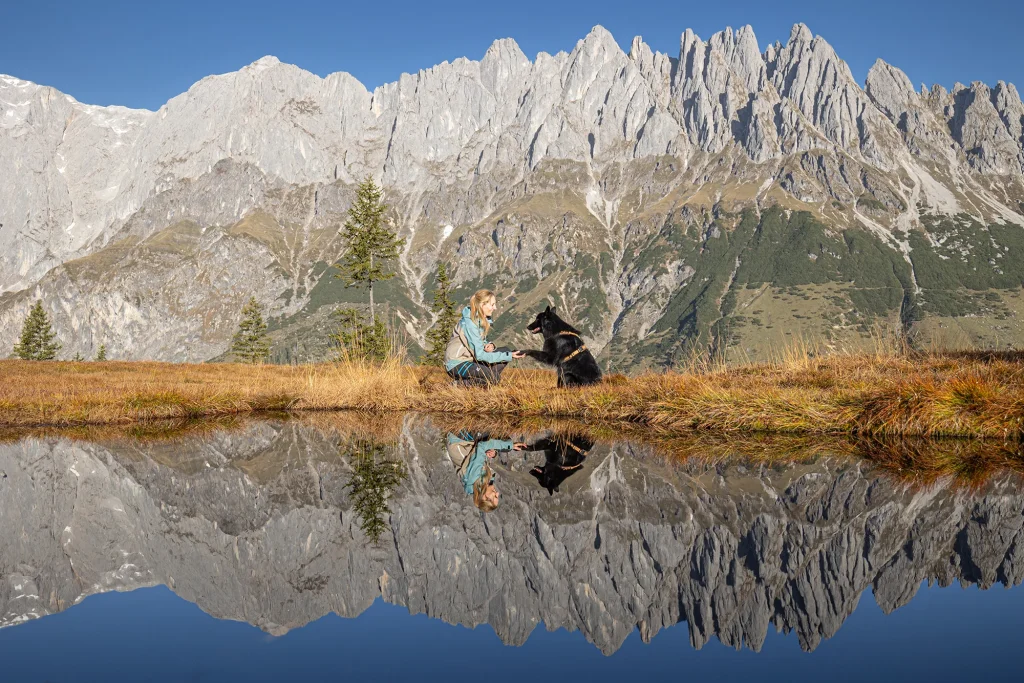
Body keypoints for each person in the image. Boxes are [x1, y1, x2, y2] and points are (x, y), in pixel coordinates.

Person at [444, 289, 525, 386]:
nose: (495, 308)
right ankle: (456, 385)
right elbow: (480, 355)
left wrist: (488, 344)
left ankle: (485, 380)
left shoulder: (480, 320)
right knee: (495, 377)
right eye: (492, 305)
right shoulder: (470, 323)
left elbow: (478, 341)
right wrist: (510, 355)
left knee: (505, 350)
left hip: (470, 360)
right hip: (456, 364)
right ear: (482, 305)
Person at [445, 431, 526, 511]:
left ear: (485, 497)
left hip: (459, 437)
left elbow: (481, 446)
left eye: (495, 497)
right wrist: (494, 454)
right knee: (504, 443)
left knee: (501, 438)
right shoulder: (481, 483)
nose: (497, 494)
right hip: (470, 444)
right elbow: (484, 460)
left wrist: (510, 445)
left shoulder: (473, 477)